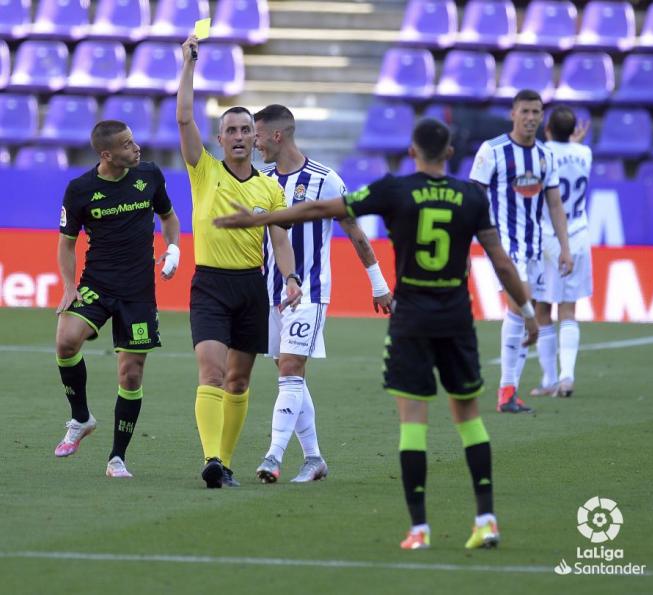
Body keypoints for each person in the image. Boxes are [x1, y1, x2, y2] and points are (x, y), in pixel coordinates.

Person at [214, 118, 539, 551]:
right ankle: (486, 519)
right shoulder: (470, 196)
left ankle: (419, 529)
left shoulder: (393, 190)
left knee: (413, 424)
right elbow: (499, 260)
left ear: (411, 151)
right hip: (456, 320)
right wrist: (529, 313)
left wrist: (263, 217)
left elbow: (321, 210)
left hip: (410, 323)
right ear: (448, 154)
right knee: (470, 420)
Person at [177, 35, 301, 489]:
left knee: (238, 380)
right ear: (220, 138)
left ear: (255, 137)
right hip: (209, 285)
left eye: (244, 130)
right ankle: (211, 458)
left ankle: (224, 463)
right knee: (210, 371)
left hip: (252, 287)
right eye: (229, 130)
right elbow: (184, 116)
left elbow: (280, 238)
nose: (237, 137)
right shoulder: (203, 170)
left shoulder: (270, 189)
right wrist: (188, 66)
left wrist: (290, 277)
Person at [250, 104, 392, 484]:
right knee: (287, 373)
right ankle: (314, 458)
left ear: (277, 136)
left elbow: (355, 232)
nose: (254, 144)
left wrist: (378, 283)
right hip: (270, 294)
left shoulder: (325, 180)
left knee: (292, 370)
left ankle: (272, 456)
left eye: (258, 136)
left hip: (310, 292)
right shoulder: (261, 180)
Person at [54, 120, 181, 478]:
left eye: (133, 139)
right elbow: (66, 242)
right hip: (96, 283)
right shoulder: (80, 189)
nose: (136, 147)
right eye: (126, 144)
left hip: (138, 291)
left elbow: (169, 218)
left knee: (130, 374)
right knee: (65, 340)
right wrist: (68, 285)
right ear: (106, 154)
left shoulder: (150, 175)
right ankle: (81, 418)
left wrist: (174, 249)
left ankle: (117, 458)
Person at [469, 89, 573, 414]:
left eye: (536, 112)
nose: (531, 118)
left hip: (536, 248)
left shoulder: (545, 155)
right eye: (525, 111)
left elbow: (554, 203)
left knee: (525, 314)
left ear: (542, 116)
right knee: (520, 309)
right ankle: (506, 391)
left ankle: (510, 390)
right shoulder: (492, 151)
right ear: (513, 113)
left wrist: (564, 248)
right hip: (505, 247)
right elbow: (473, 197)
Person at [529, 106, 593, 398]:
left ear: (547, 129)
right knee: (569, 309)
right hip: (578, 236)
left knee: (543, 308)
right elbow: (570, 153)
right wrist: (575, 141)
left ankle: (549, 379)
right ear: (573, 131)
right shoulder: (585, 154)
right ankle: (567, 377)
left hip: (547, 236)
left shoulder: (541, 153)